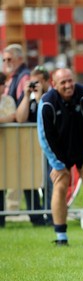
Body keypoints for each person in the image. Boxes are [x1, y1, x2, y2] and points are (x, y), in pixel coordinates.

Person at [37, 68, 83, 246]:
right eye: (63, 82)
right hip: (60, 150)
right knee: (60, 186)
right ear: (54, 85)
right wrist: (56, 164)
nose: (68, 85)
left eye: (70, 81)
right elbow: (44, 136)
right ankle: (61, 237)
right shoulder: (46, 102)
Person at [16, 65, 53, 225]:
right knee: (29, 180)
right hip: (31, 148)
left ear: (45, 81)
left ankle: (52, 216)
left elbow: (47, 119)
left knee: (49, 183)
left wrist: (39, 100)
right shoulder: (29, 97)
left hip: (50, 149)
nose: (34, 86)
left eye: (37, 82)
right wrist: (26, 96)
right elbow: (20, 118)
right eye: (31, 82)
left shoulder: (52, 96)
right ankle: (36, 218)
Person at [2, 44, 30, 213]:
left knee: (17, 173)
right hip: (12, 136)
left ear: (19, 58)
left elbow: (20, 112)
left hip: (21, 135)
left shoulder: (23, 78)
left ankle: (12, 209)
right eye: (4, 59)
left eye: (9, 59)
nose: (6, 62)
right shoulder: (13, 77)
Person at [0, 71, 17, 228]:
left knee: (6, 181)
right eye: (3, 84)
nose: (5, 87)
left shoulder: (8, 100)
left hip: (8, 148)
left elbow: (13, 116)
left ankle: (3, 219)